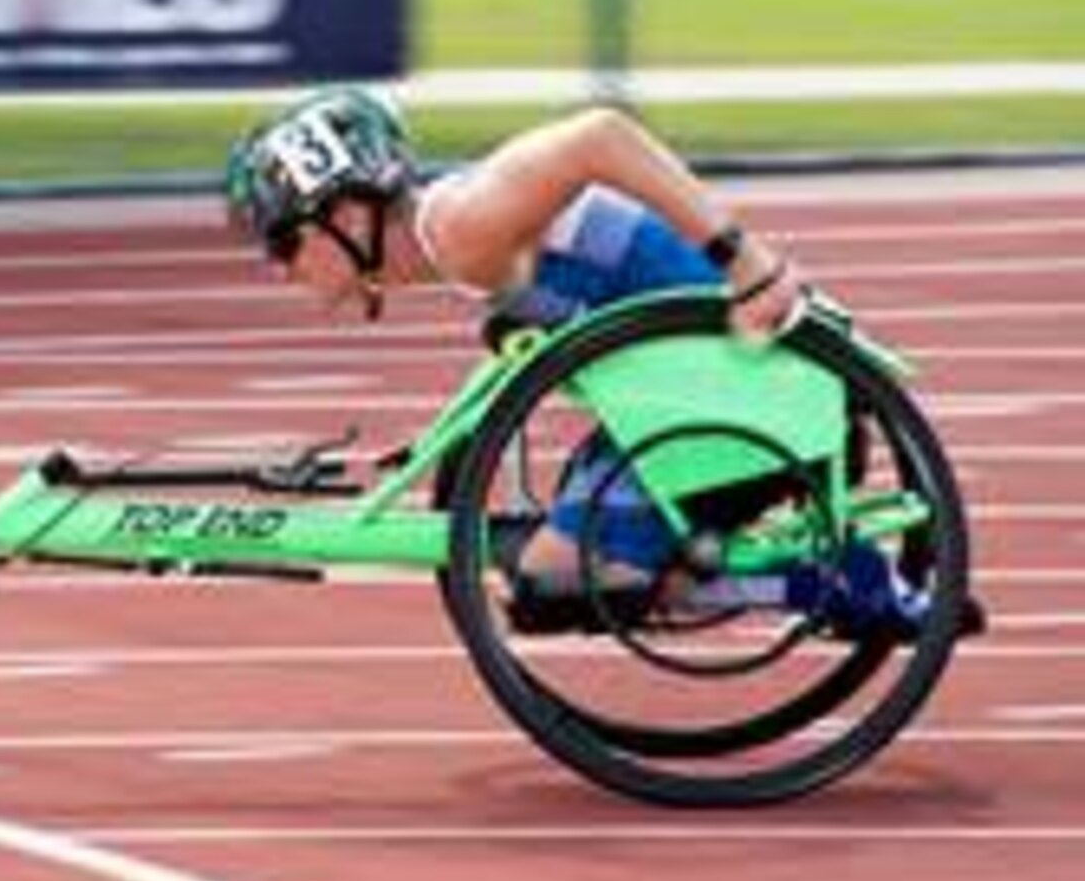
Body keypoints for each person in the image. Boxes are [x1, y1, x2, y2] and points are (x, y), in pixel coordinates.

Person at [223, 83, 979, 640]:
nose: (276, 264)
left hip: (745, 402)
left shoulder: (462, 223)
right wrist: (442, 442)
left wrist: (744, 258)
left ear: (348, 214)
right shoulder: (457, 245)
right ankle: (823, 581)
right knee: (563, 587)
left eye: (283, 241)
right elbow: (542, 340)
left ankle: (837, 580)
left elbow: (601, 135)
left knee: (558, 583)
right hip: (692, 397)